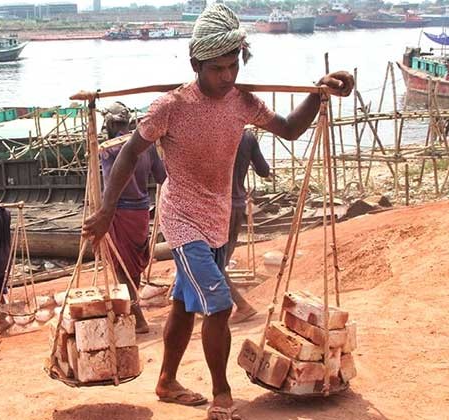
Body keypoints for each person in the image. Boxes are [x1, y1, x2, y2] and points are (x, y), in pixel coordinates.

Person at [82, 4, 353, 419]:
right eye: (217, 69)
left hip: (217, 216)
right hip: (181, 217)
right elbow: (129, 153)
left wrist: (319, 92)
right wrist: (105, 210)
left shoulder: (242, 102)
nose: (227, 76)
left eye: (232, 66)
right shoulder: (169, 107)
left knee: (183, 305)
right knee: (219, 304)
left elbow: (290, 129)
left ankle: (167, 380)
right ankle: (222, 394)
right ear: (196, 64)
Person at [100, 101, 167, 334]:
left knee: (120, 267)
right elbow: (162, 176)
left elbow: (109, 187)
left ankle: (138, 317)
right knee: (133, 267)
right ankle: (132, 309)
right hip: (140, 211)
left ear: (109, 123)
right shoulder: (146, 146)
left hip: (120, 211)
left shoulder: (109, 149)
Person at [224, 130, 269, 324]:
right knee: (220, 260)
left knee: (213, 262)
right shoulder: (247, 136)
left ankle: (242, 305)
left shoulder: (214, 131)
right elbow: (264, 170)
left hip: (218, 206)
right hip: (237, 204)